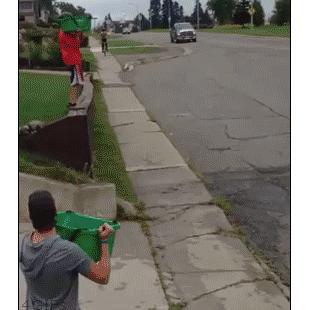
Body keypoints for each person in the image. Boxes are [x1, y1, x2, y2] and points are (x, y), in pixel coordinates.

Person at [19, 191, 114, 309]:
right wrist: (104, 241)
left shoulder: (21, 243)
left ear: (30, 217)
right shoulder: (70, 252)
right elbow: (103, 276)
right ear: (55, 214)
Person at [58, 18, 85, 108]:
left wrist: (78, 34)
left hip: (71, 58)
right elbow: (76, 44)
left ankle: (73, 101)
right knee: (74, 82)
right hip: (72, 59)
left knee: (75, 81)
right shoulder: (65, 34)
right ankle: (72, 102)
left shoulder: (65, 32)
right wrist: (78, 34)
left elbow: (78, 43)